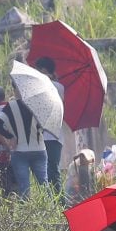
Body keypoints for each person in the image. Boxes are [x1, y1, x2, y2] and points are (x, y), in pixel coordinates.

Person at [0, 80, 47, 200]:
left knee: (24, 187)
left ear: (16, 89)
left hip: (20, 151)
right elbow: (45, 127)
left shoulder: (11, 106)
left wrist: (11, 137)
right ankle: (51, 212)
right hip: (39, 149)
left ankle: (25, 214)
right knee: (44, 184)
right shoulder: (38, 104)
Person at [34, 57, 66, 194]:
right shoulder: (53, 85)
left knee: (52, 171)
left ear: (44, 70)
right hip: (42, 136)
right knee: (44, 173)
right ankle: (51, 203)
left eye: (38, 71)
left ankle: (61, 203)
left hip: (52, 136)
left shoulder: (56, 87)